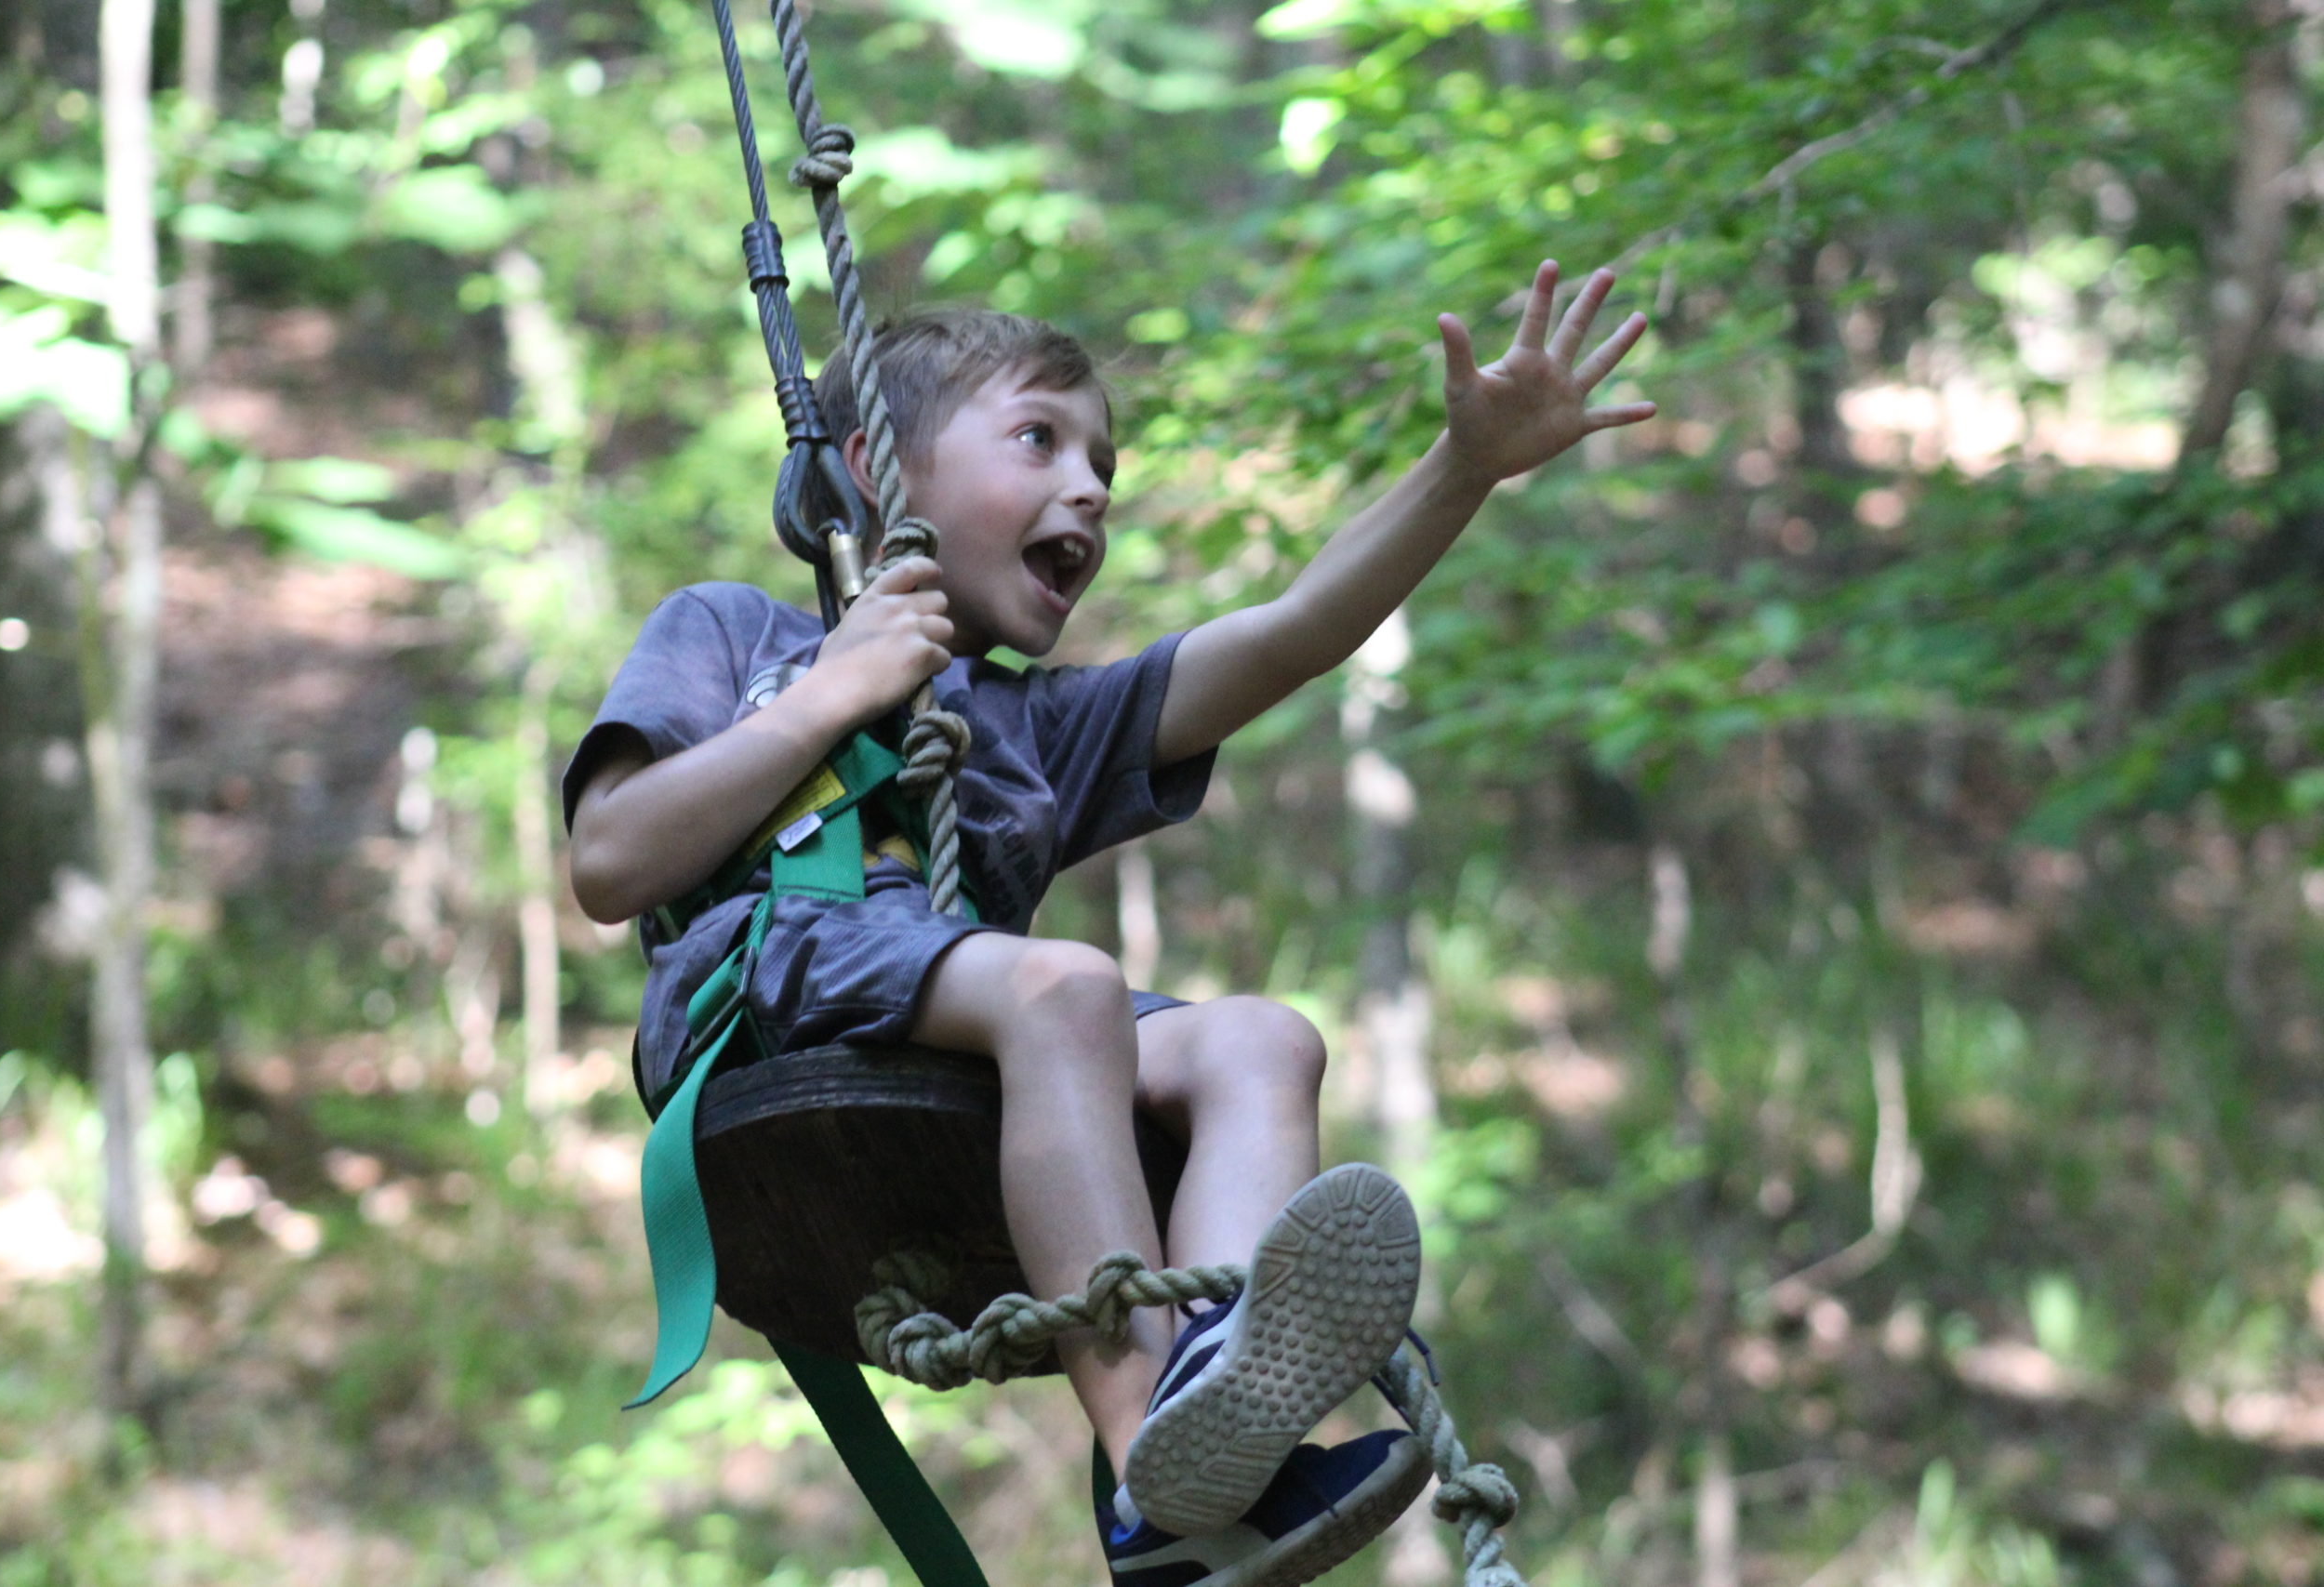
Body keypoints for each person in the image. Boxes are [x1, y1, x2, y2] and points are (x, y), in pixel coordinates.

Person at [564, 260, 1653, 1585]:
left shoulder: (1040, 723)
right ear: (874, 470)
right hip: (772, 997)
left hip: (959, 1041)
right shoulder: (736, 635)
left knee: (1260, 1039)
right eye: (1039, 440)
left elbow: (1299, 630)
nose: (1088, 488)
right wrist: (832, 691)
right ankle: (1160, 1471)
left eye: (1104, 470)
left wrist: (1463, 468)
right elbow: (611, 860)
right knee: (1065, 988)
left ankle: (1214, 1385)